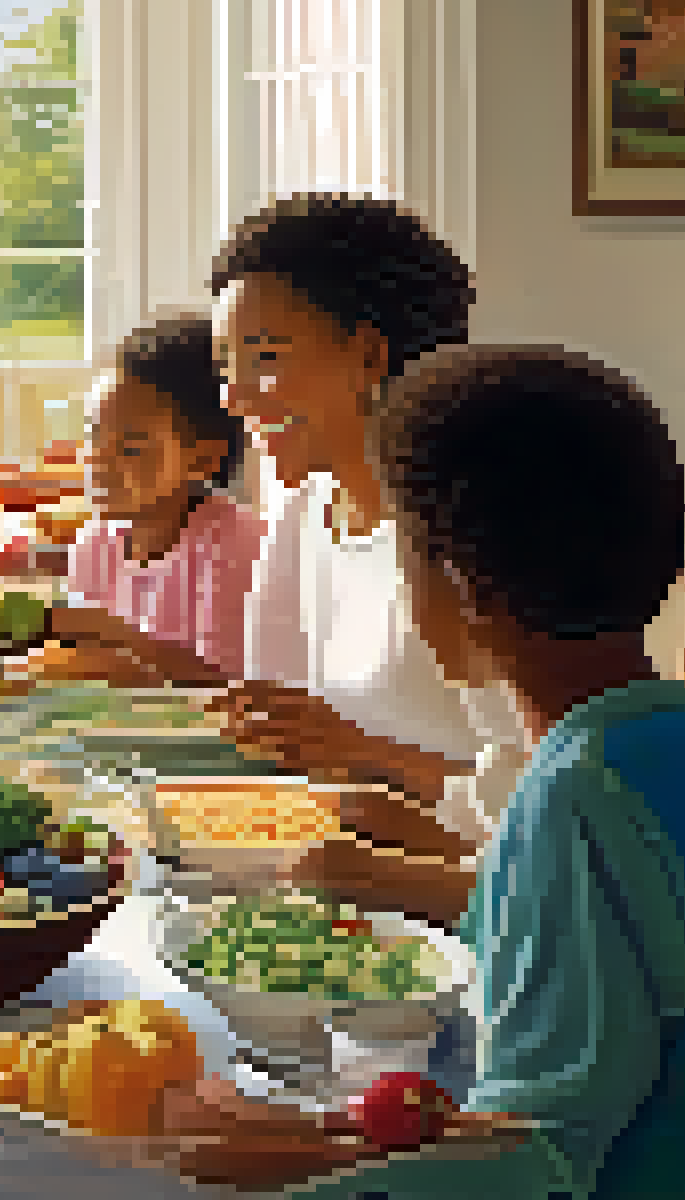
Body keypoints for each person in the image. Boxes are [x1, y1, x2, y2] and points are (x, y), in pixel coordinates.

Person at [165, 345, 685, 1199]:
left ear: (451, 585)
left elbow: (535, 1163)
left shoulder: (575, 797)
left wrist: (300, 1170)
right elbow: (610, 985)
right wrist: (346, 1135)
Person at [199, 194, 518, 862]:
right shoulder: (300, 514)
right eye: (226, 366)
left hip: (469, 897)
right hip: (346, 872)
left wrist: (364, 754)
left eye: (263, 358)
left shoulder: (475, 531)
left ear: (370, 357)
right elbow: (282, 739)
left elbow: (549, 801)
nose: (232, 398)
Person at [33, 313, 265, 686]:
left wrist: (116, 635)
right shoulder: (94, 543)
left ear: (204, 458)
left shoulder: (235, 545)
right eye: (94, 437)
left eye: (131, 448)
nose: (99, 461)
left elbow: (221, 677)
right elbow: (79, 653)